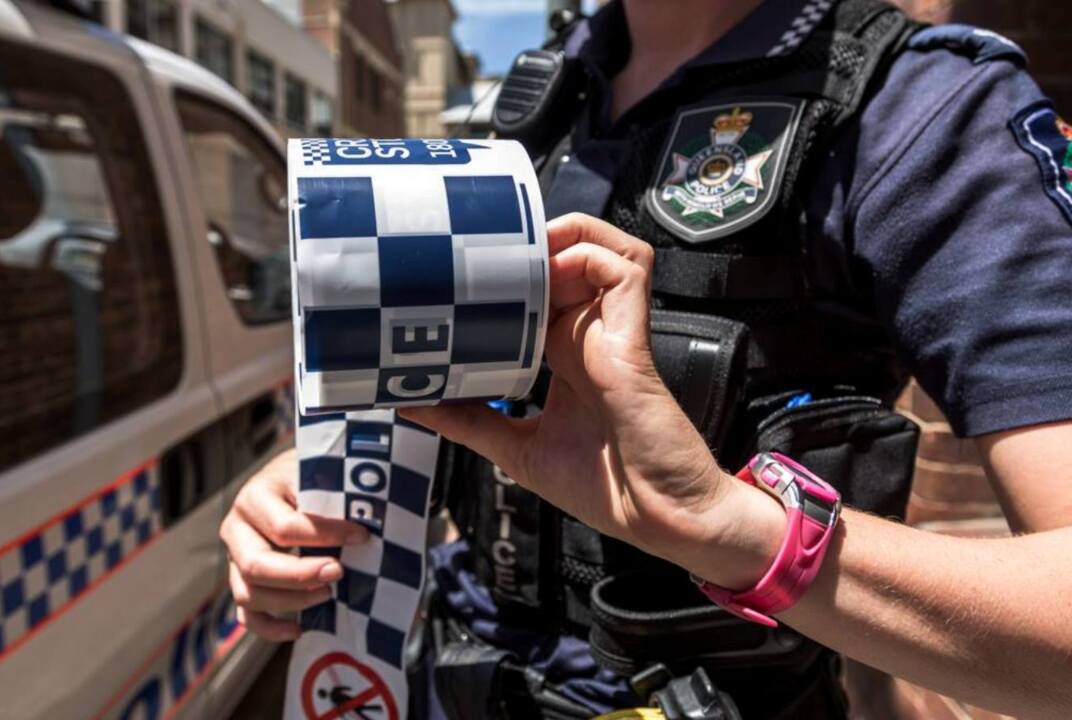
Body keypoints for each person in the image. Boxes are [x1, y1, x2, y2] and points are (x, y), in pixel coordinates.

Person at [220, 0, 1072, 717]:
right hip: (447, 667)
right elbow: (467, 397)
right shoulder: (542, 89)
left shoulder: (924, 104)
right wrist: (337, 482)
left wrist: (730, 530)